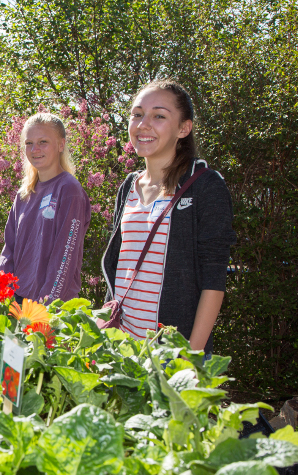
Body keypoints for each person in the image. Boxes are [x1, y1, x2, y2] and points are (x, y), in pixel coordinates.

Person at [101, 79, 236, 352]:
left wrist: (191, 357)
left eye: (159, 116)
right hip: (122, 352)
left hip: (174, 355)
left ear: (184, 128)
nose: (143, 124)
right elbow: (120, 270)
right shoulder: (128, 186)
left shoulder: (205, 185)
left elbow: (214, 279)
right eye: (137, 114)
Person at [0, 112, 91, 303]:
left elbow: (65, 256)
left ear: (61, 145)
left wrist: (47, 304)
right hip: (18, 299)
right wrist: (2, 292)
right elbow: (9, 250)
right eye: (29, 143)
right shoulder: (25, 193)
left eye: (43, 142)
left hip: (51, 305)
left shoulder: (69, 190)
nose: (35, 149)